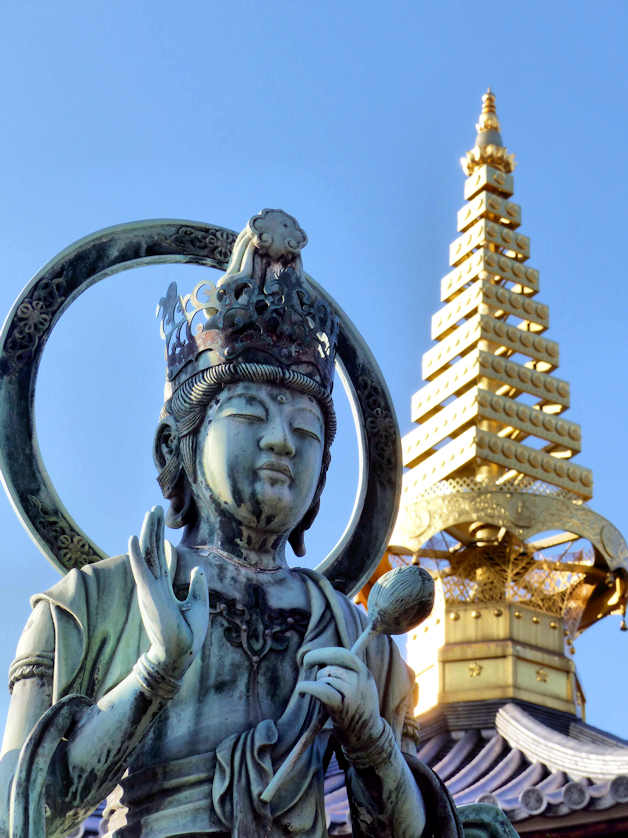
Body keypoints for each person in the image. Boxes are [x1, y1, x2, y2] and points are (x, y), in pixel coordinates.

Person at [0, 210, 463, 838]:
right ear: (176, 448)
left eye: (306, 432)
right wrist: (155, 672)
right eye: (249, 414)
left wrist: (372, 743)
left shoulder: (361, 639)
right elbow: (22, 806)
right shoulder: (88, 606)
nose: (281, 443)